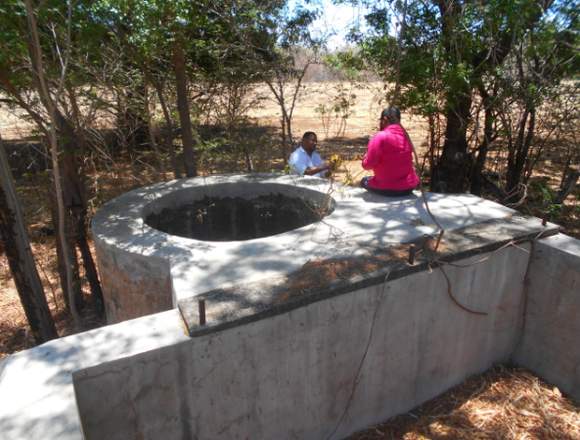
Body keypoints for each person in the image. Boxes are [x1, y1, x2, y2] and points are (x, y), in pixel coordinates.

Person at [361, 107, 420, 196]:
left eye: (381, 120)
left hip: (388, 188)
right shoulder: (406, 136)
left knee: (364, 181)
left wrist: (365, 158)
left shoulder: (380, 136)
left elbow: (367, 165)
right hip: (409, 186)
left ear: (384, 119)